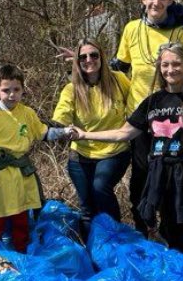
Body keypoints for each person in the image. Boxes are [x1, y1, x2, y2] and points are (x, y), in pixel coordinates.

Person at [71, 43, 183, 271]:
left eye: (177, 64)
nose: (171, 70)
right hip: (163, 180)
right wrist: (85, 134)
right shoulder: (153, 102)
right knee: (173, 237)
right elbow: (124, 133)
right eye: (165, 64)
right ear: (159, 68)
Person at [113, 0, 183, 235]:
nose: (156, 2)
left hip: (173, 116)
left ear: (170, 0)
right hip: (141, 117)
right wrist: (84, 68)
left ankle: (171, 234)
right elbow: (121, 67)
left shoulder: (181, 31)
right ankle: (143, 232)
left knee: (172, 179)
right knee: (141, 178)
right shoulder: (131, 29)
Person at [0, 64, 72, 252]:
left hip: (22, 173)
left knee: (20, 215)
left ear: (23, 90)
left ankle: (21, 252)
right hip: (0, 174)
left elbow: (43, 133)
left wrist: (65, 132)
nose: (11, 95)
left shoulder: (27, 113)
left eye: (16, 89)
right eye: (6, 90)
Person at [51, 39, 132, 237]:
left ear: (102, 57)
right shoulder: (72, 89)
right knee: (87, 208)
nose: (89, 60)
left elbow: (136, 103)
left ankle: (116, 240)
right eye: (83, 57)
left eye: (94, 55)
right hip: (81, 154)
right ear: (77, 62)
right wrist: (60, 129)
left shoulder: (119, 80)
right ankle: (92, 252)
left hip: (114, 150)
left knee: (100, 187)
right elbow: (61, 118)